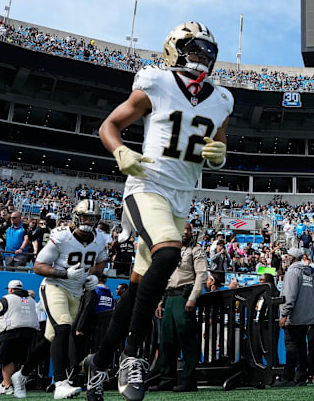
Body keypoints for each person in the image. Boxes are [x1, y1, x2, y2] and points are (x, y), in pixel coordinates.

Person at [84, 21, 233, 401]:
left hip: (181, 197)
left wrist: (218, 155)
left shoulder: (222, 99)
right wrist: (119, 150)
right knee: (168, 252)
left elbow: (217, 146)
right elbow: (110, 125)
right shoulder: (156, 81)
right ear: (175, 48)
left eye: (206, 53)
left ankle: (98, 363)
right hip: (147, 186)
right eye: (194, 50)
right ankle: (132, 356)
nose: (201, 58)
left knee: (137, 290)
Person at [11, 199, 107, 400]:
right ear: (76, 217)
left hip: (76, 292)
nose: (88, 221)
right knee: (63, 328)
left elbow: (100, 262)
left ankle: (21, 375)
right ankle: (61, 382)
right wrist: (64, 274)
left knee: (51, 339)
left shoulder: (100, 239)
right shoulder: (62, 236)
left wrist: (96, 276)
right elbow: (38, 266)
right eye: (85, 217)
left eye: (92, 218)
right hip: (55, 286)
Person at [151, 223, 207, 393]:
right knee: (167, 341)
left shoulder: (195, 250)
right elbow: (164, 277)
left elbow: (202, 275)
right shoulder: (170, 251)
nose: (185, 232)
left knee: (187, 339)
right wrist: (160, 301)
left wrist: (193, 298)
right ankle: (167, 379)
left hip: (184, 296)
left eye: (189, 229)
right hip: (169, 297)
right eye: (183, 229)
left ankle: (189, 381)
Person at [0, 280, 39, 395]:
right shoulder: (31, 300)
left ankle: (7, 385)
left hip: (10, 332)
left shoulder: (5, 299)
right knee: (19, 359)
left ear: (10, 289)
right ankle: (16, 385)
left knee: (7, 360)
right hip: (30, 333)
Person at [277, 247, 314, 387]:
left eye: (287, 256)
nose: (285, 259)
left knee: (291, 346)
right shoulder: (307, 272)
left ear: (292, 257)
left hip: (295, 316)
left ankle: (288, 377)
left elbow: (290, 295)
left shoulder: (293, 271)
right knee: (301, 347)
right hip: (307, 316)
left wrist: (284, 314)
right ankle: (300, 378)